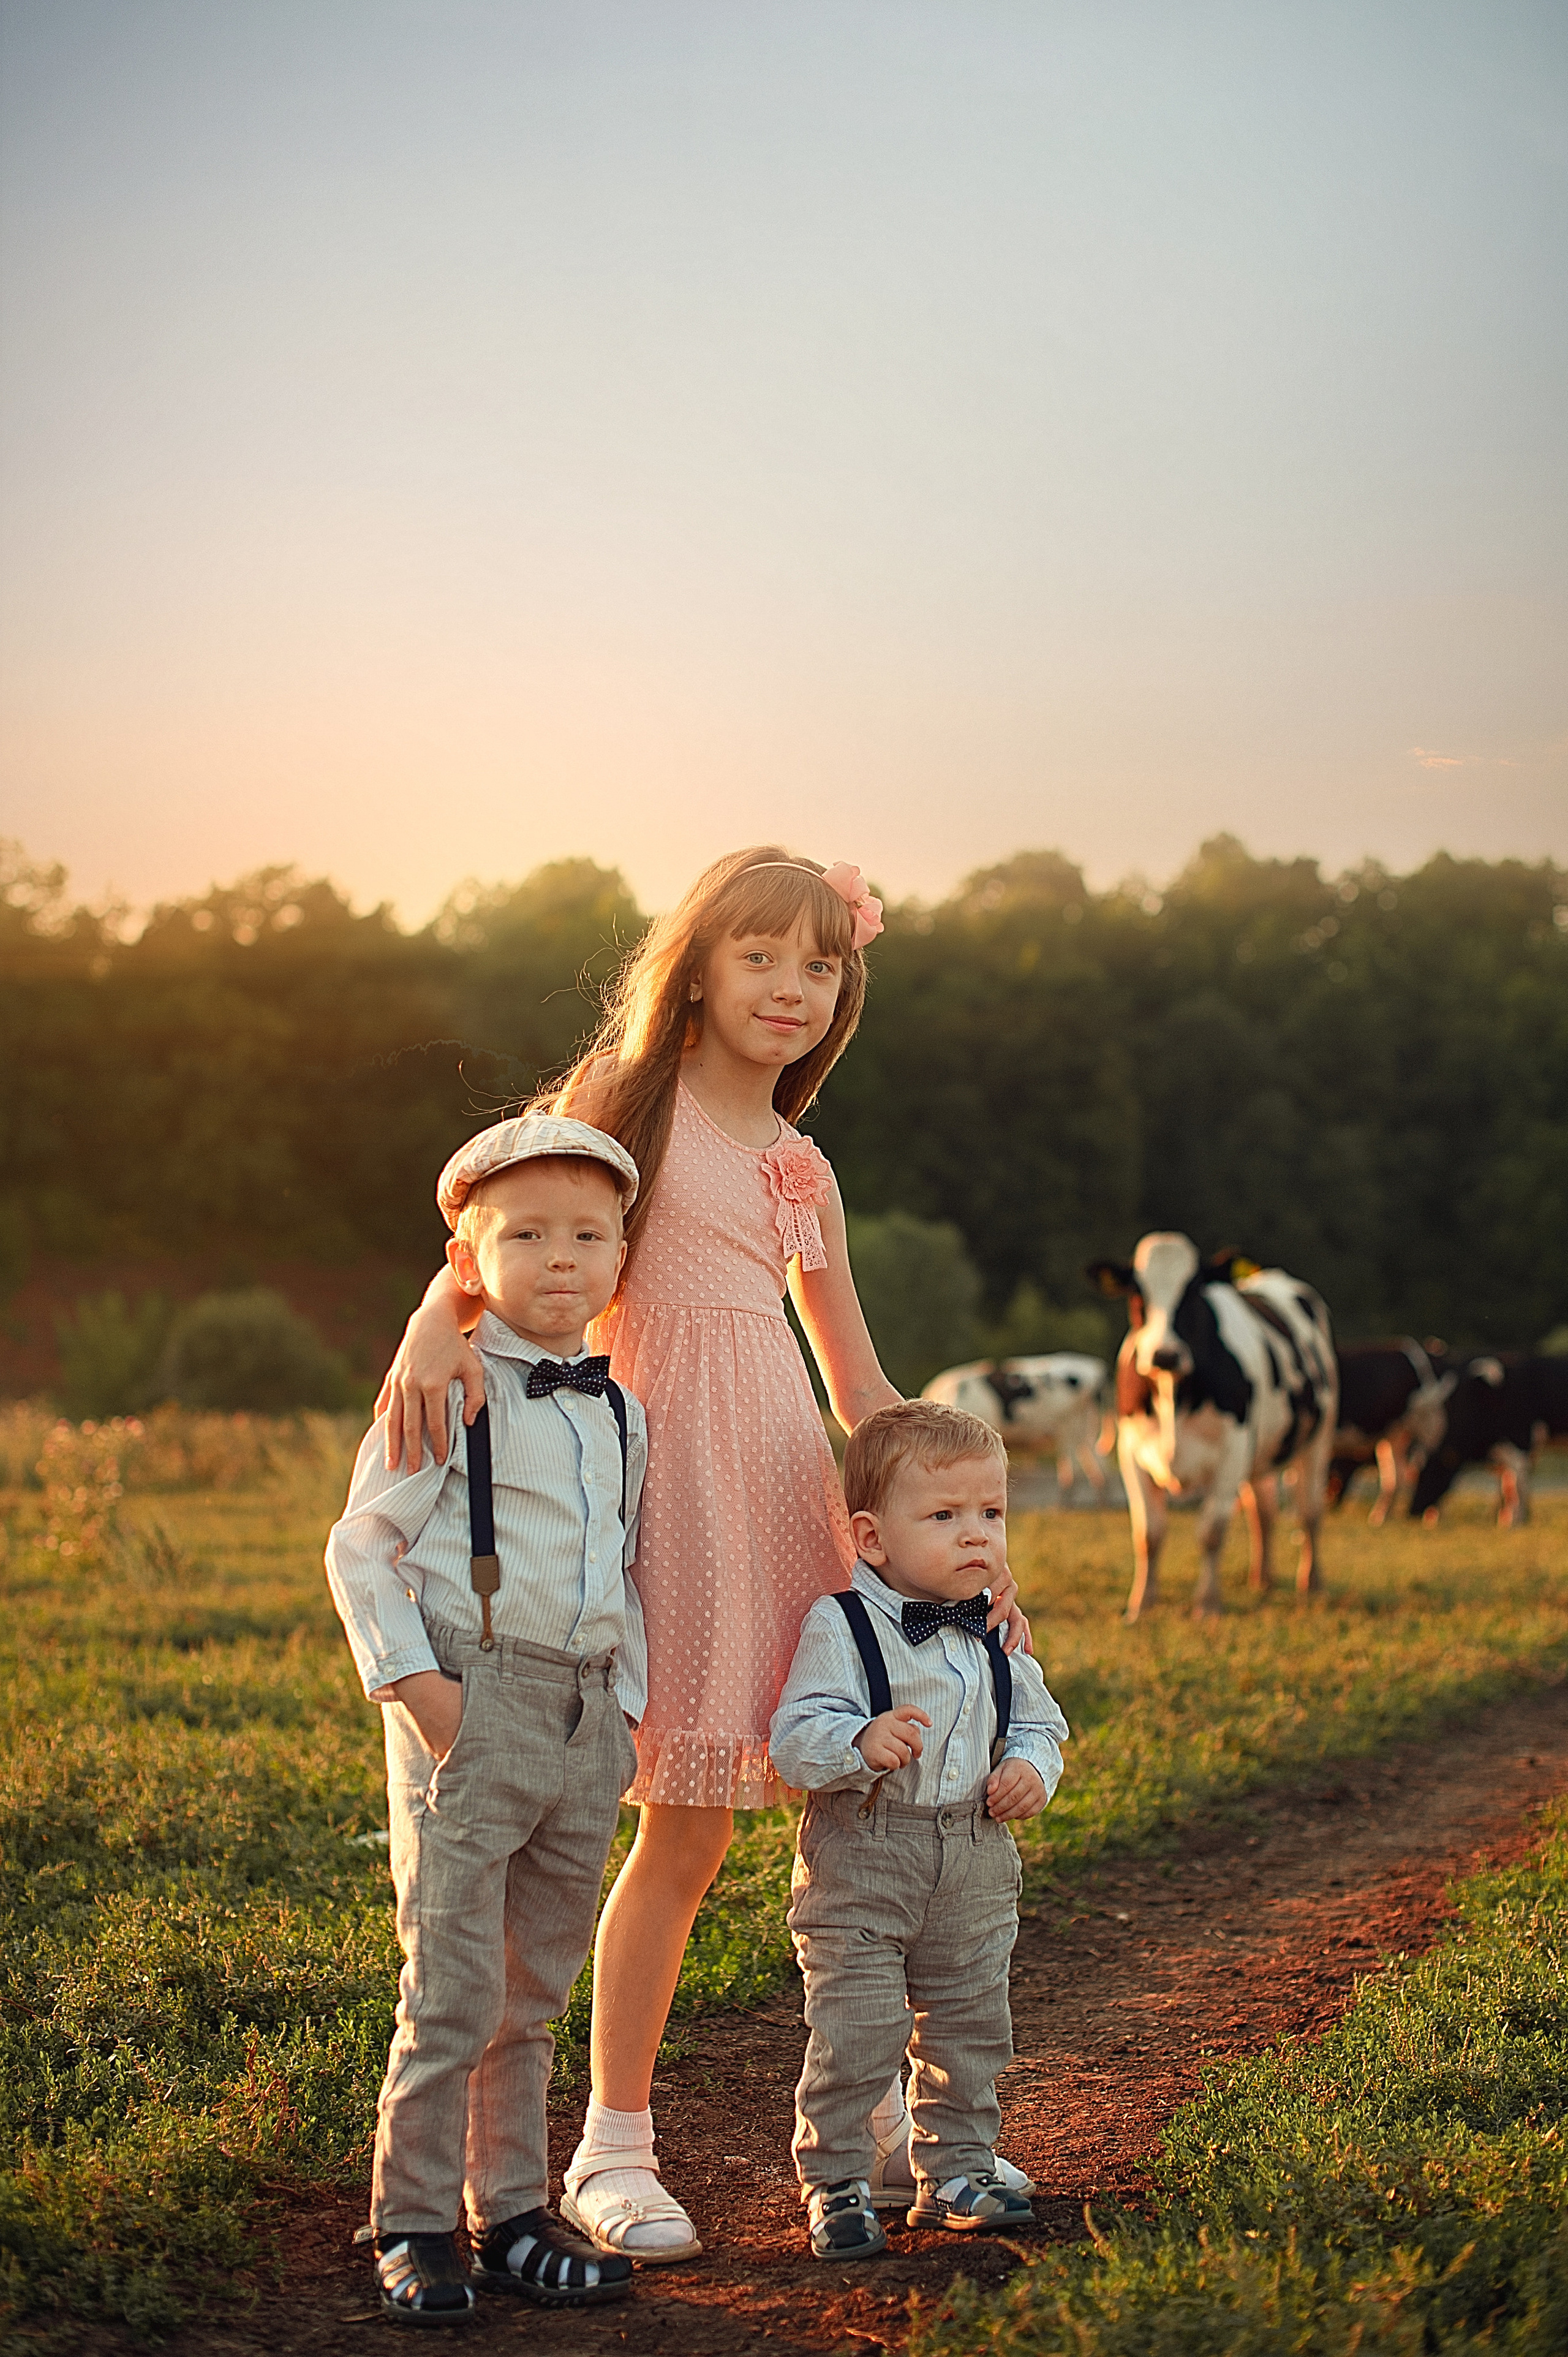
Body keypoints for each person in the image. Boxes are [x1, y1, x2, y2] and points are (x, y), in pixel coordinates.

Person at [377, 848, 1027, 2263]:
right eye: (760, 957)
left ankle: (885, 2119)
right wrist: (437, 1315)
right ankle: (611, 2144)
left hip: (788, 1483)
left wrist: (961, 1545)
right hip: (647, 1481)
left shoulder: (800, 1161)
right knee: (680, 1823)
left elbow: (855, 1378)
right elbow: (497, 1227)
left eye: (821, 966)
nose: (791, 988)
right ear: (697, 961)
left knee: (854, 1798)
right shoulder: (623, 1107)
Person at [325, 1114, 649, 2325]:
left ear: (620, 1255)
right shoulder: (447, 1384)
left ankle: (510, 2210)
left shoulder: (624, 1413)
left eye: (587, 1234)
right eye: (526, 1235)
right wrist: (421, 1691)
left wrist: (625, 1706)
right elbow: (361, 1542)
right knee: (452, 1982)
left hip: (581, 1716)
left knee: (534, 1988)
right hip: (469, 1695)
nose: (561, 1257)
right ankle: (412, 2219)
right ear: (469, 1260)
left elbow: (617, 1569)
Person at [770, 1400, 1068, 2259]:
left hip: (974, 1856)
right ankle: (837, 2181)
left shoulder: (996, 1631)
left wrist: (1029, 1772)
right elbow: (794, 1743)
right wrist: (858, 1741)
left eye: (991, 1514)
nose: (976, 1537)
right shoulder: (843, 1625)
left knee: (972, 2022)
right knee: (858, 2025)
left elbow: (1041, 1726)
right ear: (872, 1539)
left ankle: (957, 2170)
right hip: (865, 1852)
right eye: (944, 1517)